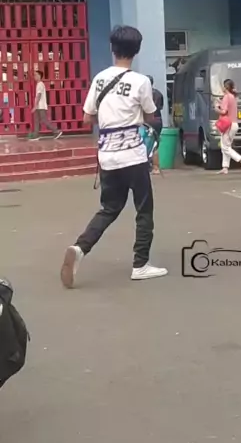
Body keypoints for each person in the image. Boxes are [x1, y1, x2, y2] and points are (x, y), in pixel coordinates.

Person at [60, 25, 167, 288]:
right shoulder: (141, 81)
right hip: (133, 156)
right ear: (137, 50)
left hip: (107, 156)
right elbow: (151, 115)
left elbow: (87, 118)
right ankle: (140, 264)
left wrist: (109, 120)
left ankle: (80, 248)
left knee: (109, 208)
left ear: (112, 48)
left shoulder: (99, 79)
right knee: (144, 209)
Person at [217, 79, 241, 174]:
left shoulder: (226, 97)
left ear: (225, 87)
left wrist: (216, 108)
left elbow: (224, 111)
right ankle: (225, 167)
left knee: (225, 147)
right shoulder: (233, 97)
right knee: (226, 146)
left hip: (228, 125)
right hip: (234, 124)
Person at [30, 70, 62, 140]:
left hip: (40, 106)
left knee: (44, 120)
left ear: (39, 76)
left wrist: (35, 106)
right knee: (36, 120)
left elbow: (39, 95)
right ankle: (36, 135)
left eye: (35, 75)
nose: (34, 76)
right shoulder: (39, 84)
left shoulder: (40, 84)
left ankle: (56, 131)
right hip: (39, 106)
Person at [148, 76, 164, 174]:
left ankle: (152, 166)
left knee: (145, 143)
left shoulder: (144, 94)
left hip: (148, 121)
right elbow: (161, 107)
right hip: (158, 120)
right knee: (155, 144)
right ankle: (155, 167)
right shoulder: (158, 93)